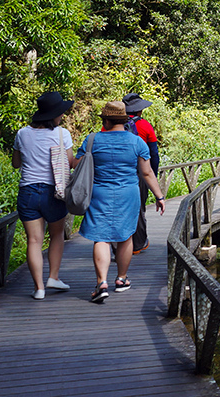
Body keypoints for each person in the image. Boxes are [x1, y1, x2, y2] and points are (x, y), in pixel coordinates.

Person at [76, 101, 166, 303]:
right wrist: (159, 197)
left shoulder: (92, 140)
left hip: (99, 193)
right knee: (126, 235)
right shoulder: (137, 142)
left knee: (101, 237)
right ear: (124, 120)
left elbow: (77, 164)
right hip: (128, 193)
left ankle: (101, 283)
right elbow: (147, 172)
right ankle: (121, 279)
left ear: (106, 120)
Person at [12, 92, 78, 300]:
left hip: (28, 191)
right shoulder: (62, 134)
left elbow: (16, 163)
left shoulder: (22, 133)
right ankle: (53, 277)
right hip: (54, 192)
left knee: (34, 240)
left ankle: (39, 288)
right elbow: (68, 163)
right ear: (55, 115)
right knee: (56, 235)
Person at [122, 93, 159, 255]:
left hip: (117, 172)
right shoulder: (145, 126)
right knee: (139, 207)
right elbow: (154, 154)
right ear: (139, 111)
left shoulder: (109, 126)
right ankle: (138, 244)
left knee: (120, 207)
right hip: (139, 172)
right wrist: (153, 176)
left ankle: (120, 244)